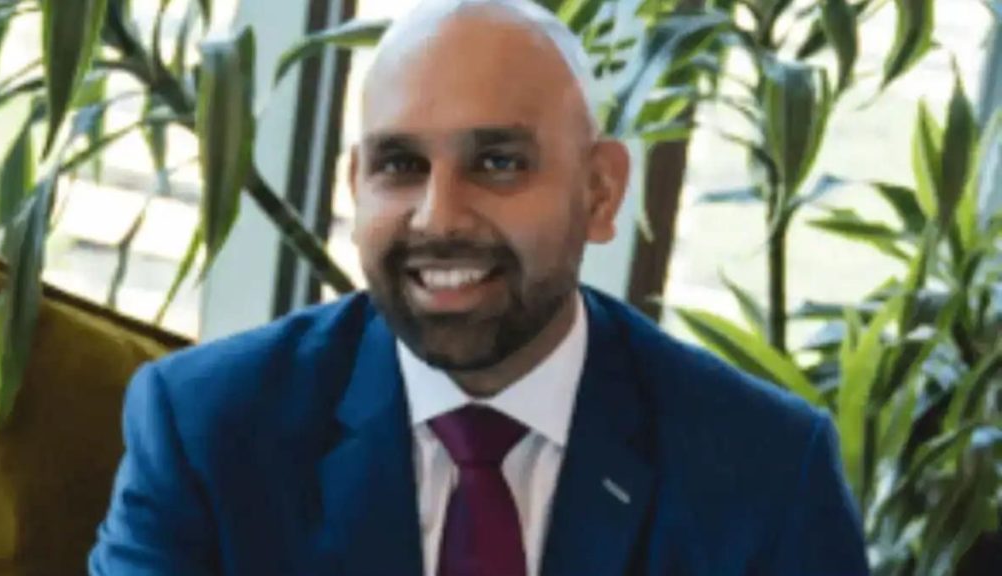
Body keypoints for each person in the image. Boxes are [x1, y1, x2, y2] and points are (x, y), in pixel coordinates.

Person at [89, 1, 870, 574]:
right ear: (355, 185)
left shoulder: (766, 471)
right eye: (400, 165)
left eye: (498, 163)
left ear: (599, 192)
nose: (439, 216)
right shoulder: (208, 429)